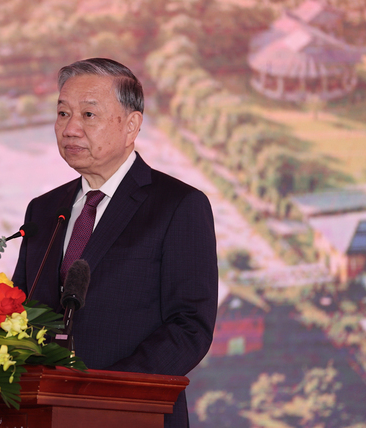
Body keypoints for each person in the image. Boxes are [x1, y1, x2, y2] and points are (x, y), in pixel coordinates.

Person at [12, 58, 218, 428]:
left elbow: (189, 327)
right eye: (63, 113)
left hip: (133, 415)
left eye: (88, 115)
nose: (70, 128)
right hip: (42, 415)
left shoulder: (177, 205)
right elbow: (18, 313)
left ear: (131, 125)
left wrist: (104, 396)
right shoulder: (43, 210)